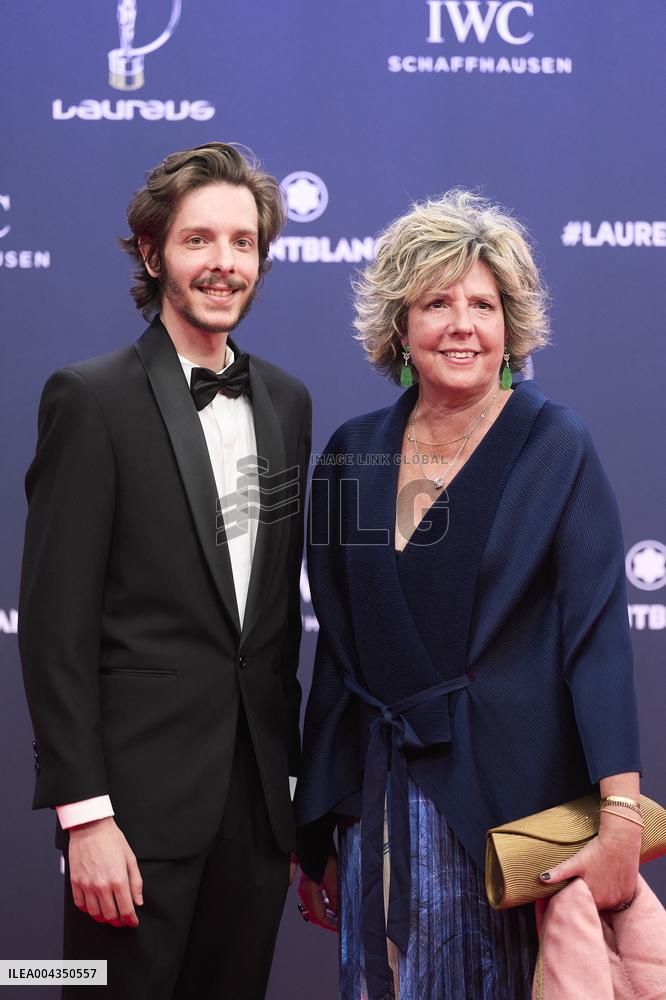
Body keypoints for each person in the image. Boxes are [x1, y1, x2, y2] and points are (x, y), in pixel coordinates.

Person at [294, 190, 642, 1000]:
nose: (462, 324)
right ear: (399, 329)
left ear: (511, 327)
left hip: (511, 816)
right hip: (379, 811)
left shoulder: (556, 442)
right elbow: (339, 656)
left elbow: (595, 639)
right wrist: (317, 826)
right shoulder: (352, 455)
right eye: (436, 302)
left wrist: (621, 814)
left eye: (483, 304)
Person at [19, 142, 311, 999]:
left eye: (244, 243)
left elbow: (272, 626)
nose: (225, 264)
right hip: (133, 820)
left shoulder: (288, 403)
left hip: (256, 815)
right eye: (199, 241)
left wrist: (289, 796)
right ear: (153, 254)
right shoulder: (91, 397)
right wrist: (86, 817)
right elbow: (54, 627)